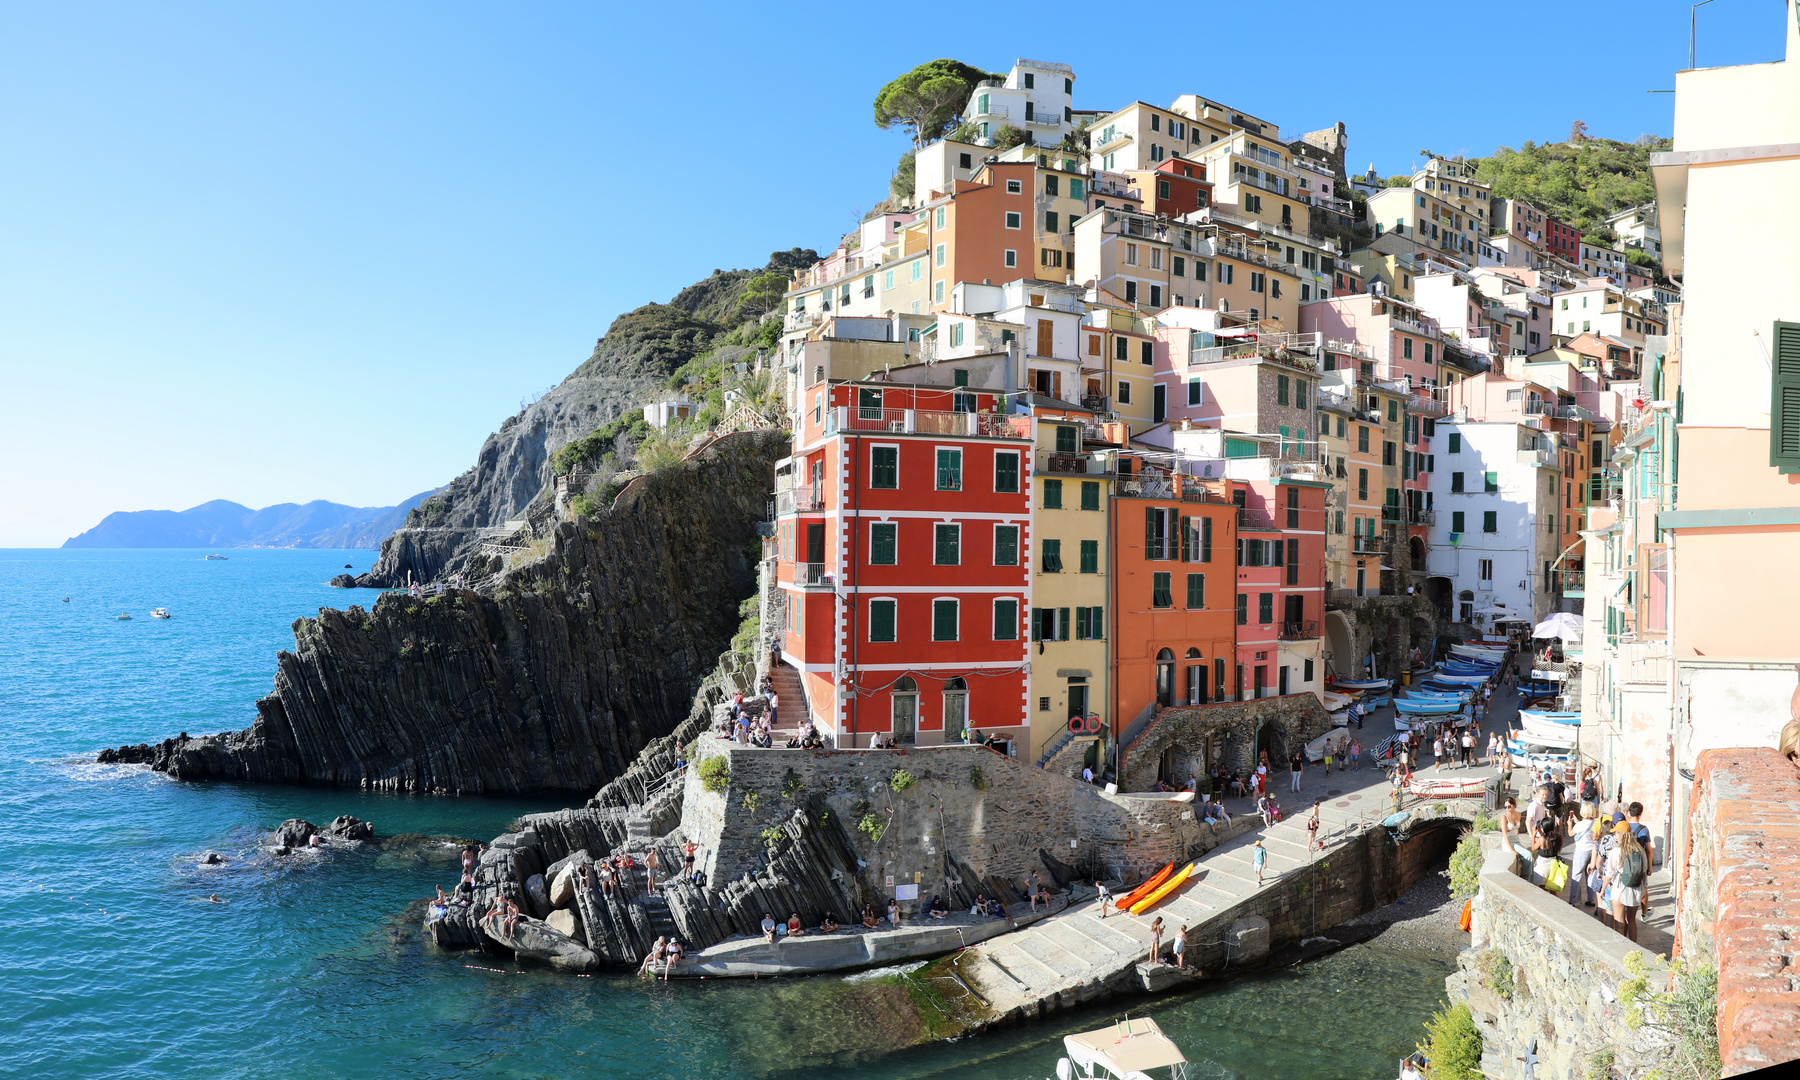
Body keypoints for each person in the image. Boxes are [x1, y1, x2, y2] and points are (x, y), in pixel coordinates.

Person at [1607, 824, 1648, 942]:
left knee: (1619, 922)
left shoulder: (1616, 851)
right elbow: (1643, 871)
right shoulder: (1640, 850)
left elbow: (1609, 874)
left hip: (1620, 888)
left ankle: (1620, 948)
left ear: (1620, 834)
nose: (1615, 835)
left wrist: (1603, 889)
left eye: (1616, 833)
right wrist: (1643, 889)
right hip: (1636, 888)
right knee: (1631, 920)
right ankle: (1633, 948)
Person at [1567, 804, 1602, 909]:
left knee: (1576, 875)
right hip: (1593, 851)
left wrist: (1569, 824)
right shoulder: (1597, 822)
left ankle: (1573, 900)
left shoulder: (1581, 825)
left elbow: (1570, 833)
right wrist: (1578, 822)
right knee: (1590, 874)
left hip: (1582, 851)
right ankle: (1591, 899)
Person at [1530, 811, 1563, 888]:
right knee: (1552, 889)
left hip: (1543, 866)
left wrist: (1533, 836)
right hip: (1553, 864)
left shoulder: (1542, 839)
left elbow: (1533, 848)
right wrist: (1541, 832)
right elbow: (1548, 838)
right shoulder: (1558, 837)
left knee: (1541, 887)